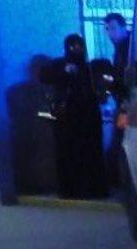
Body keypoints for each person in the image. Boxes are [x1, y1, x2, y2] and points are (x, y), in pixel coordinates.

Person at [41, 35, 107, 199]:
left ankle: (91, 189)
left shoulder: (89, 68)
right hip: (68, 118)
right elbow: (45, 76)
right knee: (69, 154)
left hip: (87, 117)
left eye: (79, 46)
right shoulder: (60, 65)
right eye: (72, 46)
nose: (76, 49)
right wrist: (64, 71)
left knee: (89, 153)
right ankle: (71, 190)